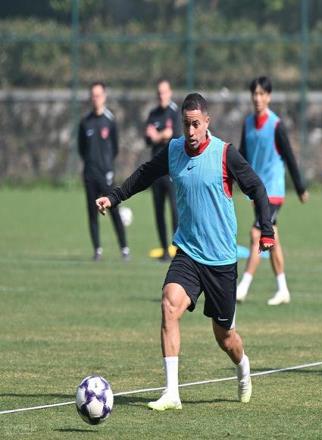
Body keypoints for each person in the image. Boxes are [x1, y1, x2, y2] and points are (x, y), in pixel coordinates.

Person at [96, 93, 275, 410]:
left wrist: (266, 229)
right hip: (189, 252)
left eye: (196, 124)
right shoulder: (174, 150)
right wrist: (115, 196)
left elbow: (257, 188)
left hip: (220, 260)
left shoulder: (225, 154)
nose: (190, 131)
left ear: (207, 122)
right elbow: (145, 174)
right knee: (169, 304)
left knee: (225, 337)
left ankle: (243, 366)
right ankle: (172, 393)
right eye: (186, 125)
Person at [236, 76, 309, 306]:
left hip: (273, 192)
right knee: (272, 237)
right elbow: (241, 157)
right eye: (254, 94)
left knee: (257, 234)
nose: (257, 98)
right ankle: (283, 289)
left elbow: (290, 157)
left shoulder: (277, 125)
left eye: (261, 94)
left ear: (268, 97)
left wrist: (300, 188)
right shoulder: (248, 124)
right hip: (256, 192)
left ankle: (242, 288)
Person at [78, 81, 129, 261]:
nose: (95, 99)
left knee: (114, 209)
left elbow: (115, 147)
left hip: (106, 174)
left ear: (104, 96)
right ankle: (97, 250)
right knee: (92, 212)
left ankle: (124, 248)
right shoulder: (85, 122)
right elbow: (81, 148)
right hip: (90, 174)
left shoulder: (110, 120)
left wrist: (107, 166)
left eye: (98, 95)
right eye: (93, 95)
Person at [145, 79, 182, 261]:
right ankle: (164, 251)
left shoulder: (175, 112)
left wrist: (157, 136)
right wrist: (161, 136)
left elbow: (175, 137)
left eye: (164, 92)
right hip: (156, 171)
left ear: (170, 92)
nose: (161, 96)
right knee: (158, 211)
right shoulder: (153, 114)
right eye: (159, 92)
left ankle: (178, 250)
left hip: (172, 170)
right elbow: (147, 138)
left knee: (175, 210)